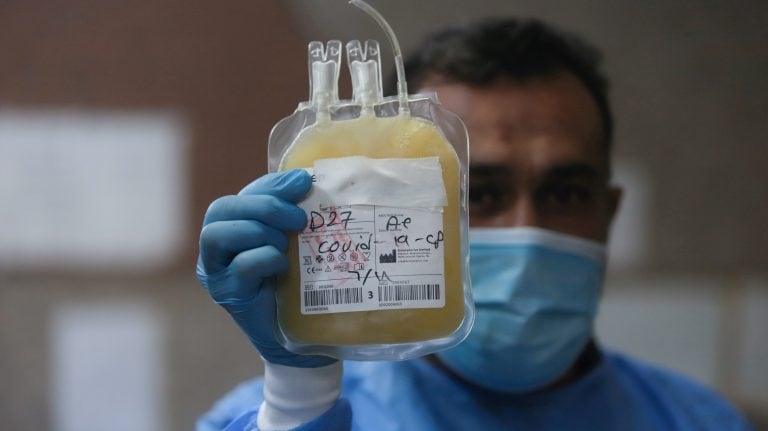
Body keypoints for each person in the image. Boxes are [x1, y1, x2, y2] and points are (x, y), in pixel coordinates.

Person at [195, 18, 752, 431]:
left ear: (608, 212)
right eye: (480, 194)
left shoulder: (701, 420)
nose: (526, 229)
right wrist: (301, 388)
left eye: (566, 192)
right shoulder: (268, 415)